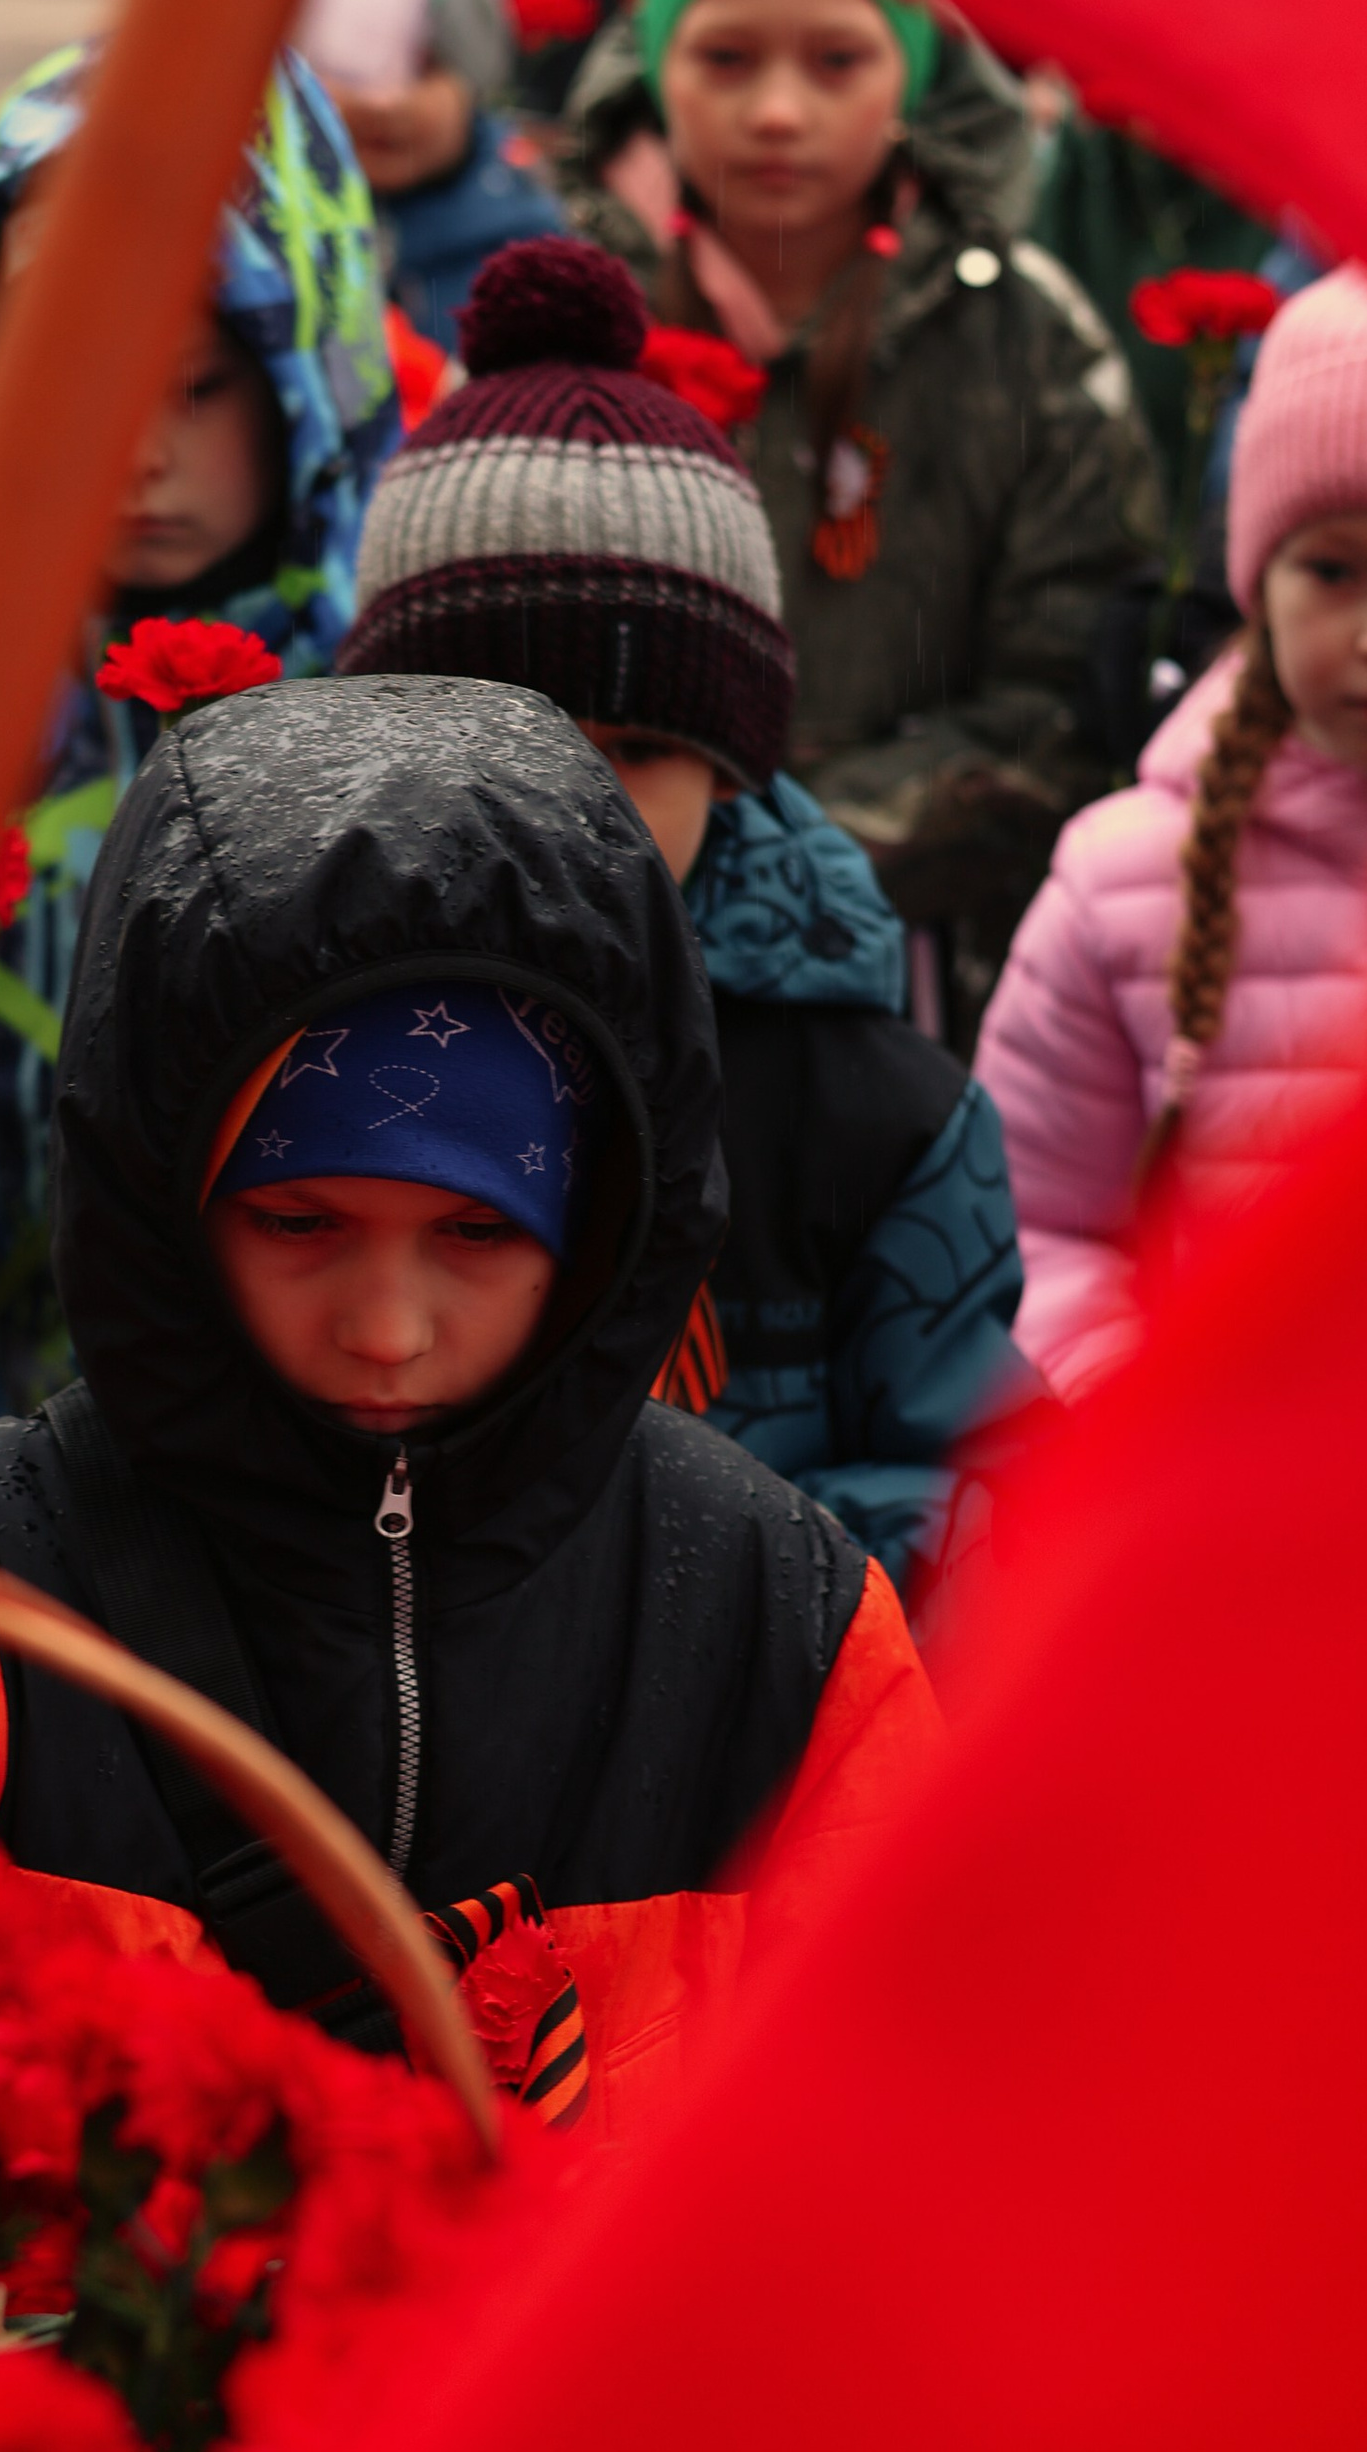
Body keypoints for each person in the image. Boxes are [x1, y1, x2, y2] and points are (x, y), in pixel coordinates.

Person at [0, 682, 942, 2137]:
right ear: (164, 1202)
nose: (387, 1327)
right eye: (298, 1221)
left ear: (602, 1224)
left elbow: (951, 2095)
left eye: (478, 1235)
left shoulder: (778, 1623)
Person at [341, 232, 1035, 1594]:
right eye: (507, 732)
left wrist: (727, 1588)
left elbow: (989, 1487)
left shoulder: (876, 1112)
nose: (569, 794)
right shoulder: (289, 1043)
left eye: (635, 747)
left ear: (729, 766)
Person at [0, 43, 396, 1420]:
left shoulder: (403, 716)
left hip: (341, 1456)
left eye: (198, 388)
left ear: (302, 370)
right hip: (53, 1441)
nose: (137, 452)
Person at [976, 267, 1367, 1399]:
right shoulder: (1123, 881)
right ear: (1259, 577)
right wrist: (1127, 1394)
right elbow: (1033, 1218)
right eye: (1335, 569)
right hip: (1226, 1511)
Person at [558, 0, 1164, 1047]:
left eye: (837, 61)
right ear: (650, 59)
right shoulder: (566, 317)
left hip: (928, 970)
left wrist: (800, 852)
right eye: (725, 58)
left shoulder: (1020, 336)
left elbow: (1065, 689)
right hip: (603, 944)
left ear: (913, 74)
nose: (779, 111)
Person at [317, 0, 573, 355]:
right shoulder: (249, 245)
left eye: (424, 66)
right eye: (354, 63)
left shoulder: (530, 256)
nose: (384, 101)